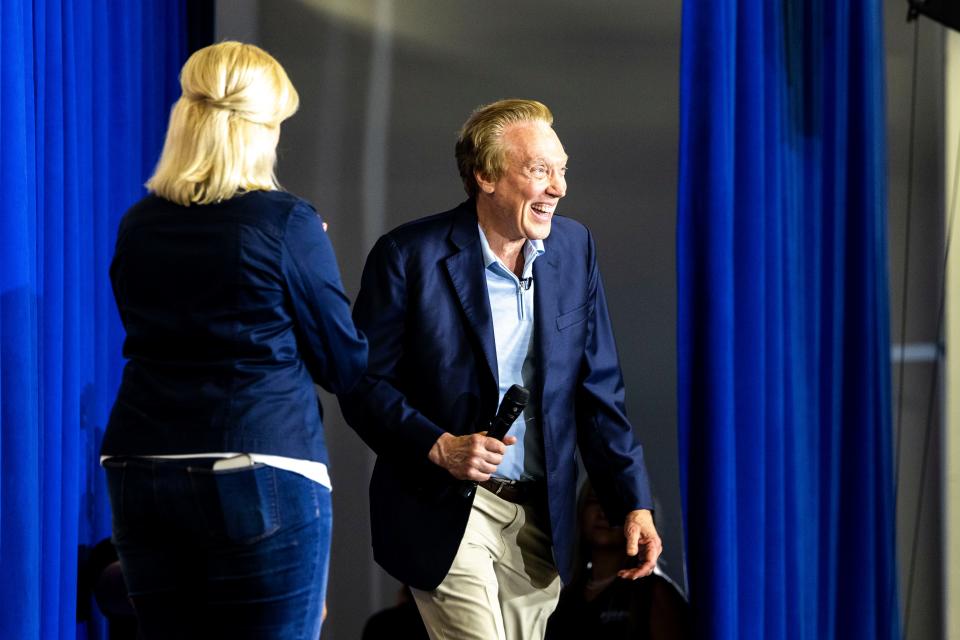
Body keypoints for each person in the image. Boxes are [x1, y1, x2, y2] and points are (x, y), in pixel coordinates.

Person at [340, 98, 661, 640]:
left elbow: (597, 388)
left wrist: (632, 499)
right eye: (539, 170)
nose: (558, 187)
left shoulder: (575, 248)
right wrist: (438, 445)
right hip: (447, 509)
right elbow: (361, 382)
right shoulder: (407, 255)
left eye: (562, 170)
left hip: (540, 516)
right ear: (485, 175)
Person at [100, 41, 367, 639]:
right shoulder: (285, 221)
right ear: (257, 131)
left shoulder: (138, 224)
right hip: (256, 461)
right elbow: (343, 364)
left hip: (139, 465)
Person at [545, 486, 690, 639]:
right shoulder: (563, 593)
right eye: (594, 501)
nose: (603, 512)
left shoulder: (655, 593)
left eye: (615, 504)